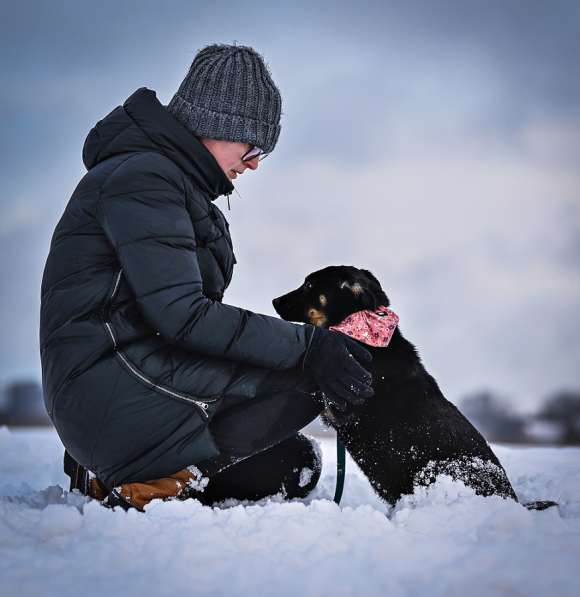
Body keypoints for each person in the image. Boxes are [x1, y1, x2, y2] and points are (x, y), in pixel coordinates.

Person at [40, 44, 373, 510]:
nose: (255, 163)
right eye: (252, 146)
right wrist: (308, 345)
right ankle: (146, 484)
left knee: (292, 461)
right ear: (217, 124)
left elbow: (177, 318)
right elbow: (182, 315)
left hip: (118, 387)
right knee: (305, 379)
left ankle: (132, 472)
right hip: (116, 386)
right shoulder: (146, 180)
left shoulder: (163, 180)